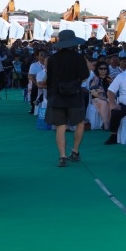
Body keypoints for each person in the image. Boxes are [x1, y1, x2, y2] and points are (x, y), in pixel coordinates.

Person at [44, 30, 90, 167]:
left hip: (57, 95)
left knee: (60, 126)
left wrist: (50, 95)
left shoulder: (52, 59)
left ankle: (62, 156)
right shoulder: (79, 58)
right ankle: (75, 151)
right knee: (80, 122)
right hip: (74, 94)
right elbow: (85, 76)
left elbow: (49, 79)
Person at [87, 62, 114, 130]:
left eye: (105, 68)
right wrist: (99, 95)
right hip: (97, 98)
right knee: (103, 103)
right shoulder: (95, 78)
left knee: (112, 103)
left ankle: (110, 122)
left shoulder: (110, 78)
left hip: (108, 97)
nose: (103, 70)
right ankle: (105, 123)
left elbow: (114, 89)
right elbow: (92, 90)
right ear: (97, 69)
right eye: (101, 68)